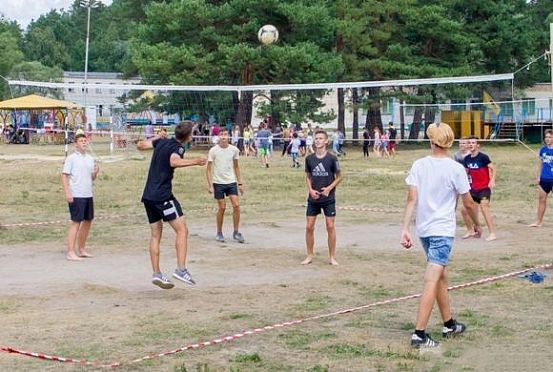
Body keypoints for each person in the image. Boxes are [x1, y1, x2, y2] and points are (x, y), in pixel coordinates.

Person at [400, 122, 481, 349]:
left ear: (432, 141)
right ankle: (419, 334)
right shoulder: (455, 169)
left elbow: (411, 200)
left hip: (425, 230)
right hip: (441, 232)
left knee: (441, 276)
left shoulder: (420, 164)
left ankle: (449, 324)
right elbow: (469, 203)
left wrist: (406, 228)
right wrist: (477, 225)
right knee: (431, 280)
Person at [137, 121, 207, 289]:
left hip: (148, 196)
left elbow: (140, 145)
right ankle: (181, 270)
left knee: (155, 235)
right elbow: (174, 162)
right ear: (189, 136)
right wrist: (196, 161)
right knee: (182, 230)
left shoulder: (161, 141)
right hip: (163, 197)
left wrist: (156, 137)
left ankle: (157, 274)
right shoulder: (178, 148)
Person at [302, 130, 343, 266]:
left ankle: (332, 257)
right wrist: (311, 190)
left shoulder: (332, 158)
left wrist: (329, 189)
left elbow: (339, 177)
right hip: (313, 199)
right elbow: (308, 176)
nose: (318, 141)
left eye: (320, 138)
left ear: (326, 141)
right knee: (309, 227)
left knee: (330, 226)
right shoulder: (309, 159)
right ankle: (309, 255)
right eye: (316, 138)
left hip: (328, 198)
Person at [61, 133, 100, 261]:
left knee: (88, 221)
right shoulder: (71, 158)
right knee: (76, 222)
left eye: (85, 140)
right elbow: (64, 176)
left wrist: (95, 173)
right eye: (81, 141)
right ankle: (70, 252)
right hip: (76, 194)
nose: (84, 142)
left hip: (88, 194)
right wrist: (68, 192)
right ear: (76, 144)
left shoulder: (90, 158)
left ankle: (82, 249)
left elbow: (91, 178)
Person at [206, 128, 246, 243]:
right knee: (222, 207)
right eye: (221, 134)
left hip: (231, 182)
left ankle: (236, 232)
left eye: (225, 134)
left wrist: (240, 183)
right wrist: (210, 185)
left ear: (229, 136)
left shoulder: (234, 150)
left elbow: (236, 167)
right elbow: (208, 169)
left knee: (236, 205)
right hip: (218, 183)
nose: (223, 137)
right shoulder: (213, 150)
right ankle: (219, 232)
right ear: (218, 136)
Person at [461, 136, 497, 241]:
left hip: (484, 188)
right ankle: (471, 230)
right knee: (464, 211)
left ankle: (492, 233)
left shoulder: (483, 157)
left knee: (484, 208)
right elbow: (465, 172)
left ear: (478, 145)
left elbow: (493, 167)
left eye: (473, 143)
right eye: (469, 143)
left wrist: (492, 180)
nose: (471, 144)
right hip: (473, 189)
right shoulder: (466, 159)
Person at [529, 129, 553, 227]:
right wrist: (538, 176)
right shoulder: (543, 150)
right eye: (546, 137)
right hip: (544, 179)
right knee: (542, 200)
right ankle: (538, 222)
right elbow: (541, 164)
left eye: (550, 137)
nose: (547, 139)